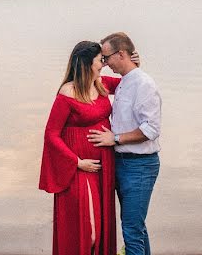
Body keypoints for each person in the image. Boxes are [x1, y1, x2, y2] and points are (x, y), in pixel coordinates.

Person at [39, 41, 122, 255]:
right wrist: (77, 162)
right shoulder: (68, 93)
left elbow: (127, 81)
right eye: (100, 60)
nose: (103, 64)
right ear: (87, 64)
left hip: (103, 169)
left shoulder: (100, 84)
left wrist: (133, 63)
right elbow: (51, 134)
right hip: (79, 170)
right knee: (89, 232)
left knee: (101, 231)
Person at [89, 32, 162, 255]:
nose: (105, 63)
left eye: (106, 57)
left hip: (139, 166)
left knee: (131, 229)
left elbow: (151, 129)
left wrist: (116, 138)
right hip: (122, 163)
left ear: (121, 54)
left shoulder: (143, 85)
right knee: (136, 227)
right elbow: (90, 81)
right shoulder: (125, 82)